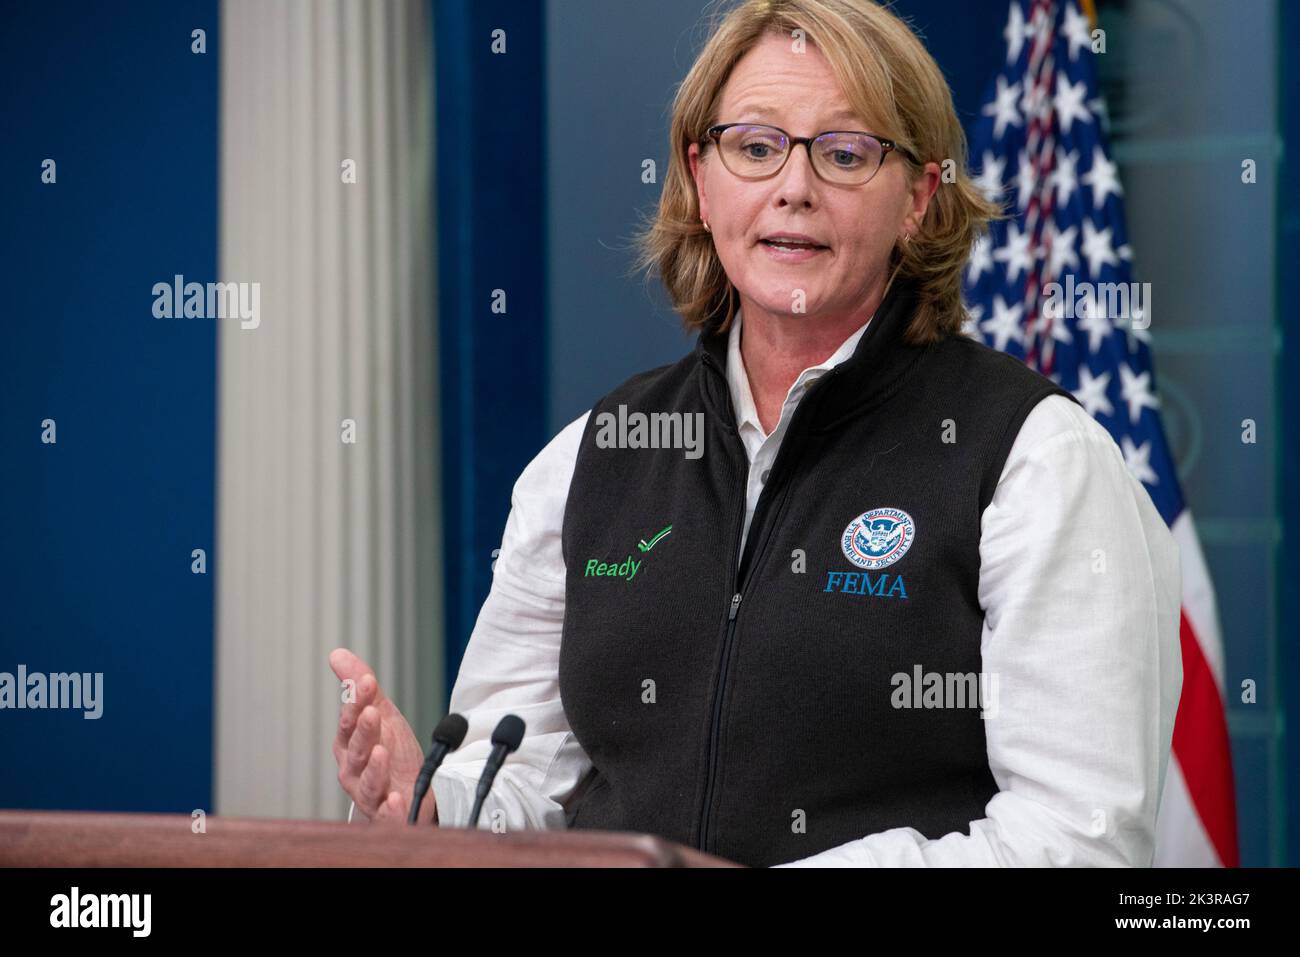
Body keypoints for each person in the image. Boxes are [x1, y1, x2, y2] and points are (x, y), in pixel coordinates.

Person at [331, 0, 1182, 867]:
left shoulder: (1034, 461)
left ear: (921, 199)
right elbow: (523, 780)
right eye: (755, 145)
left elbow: (1079, 841)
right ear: (702, 181)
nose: (794, 186)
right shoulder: (588, 460)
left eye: (846, 153)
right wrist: (432, 802)